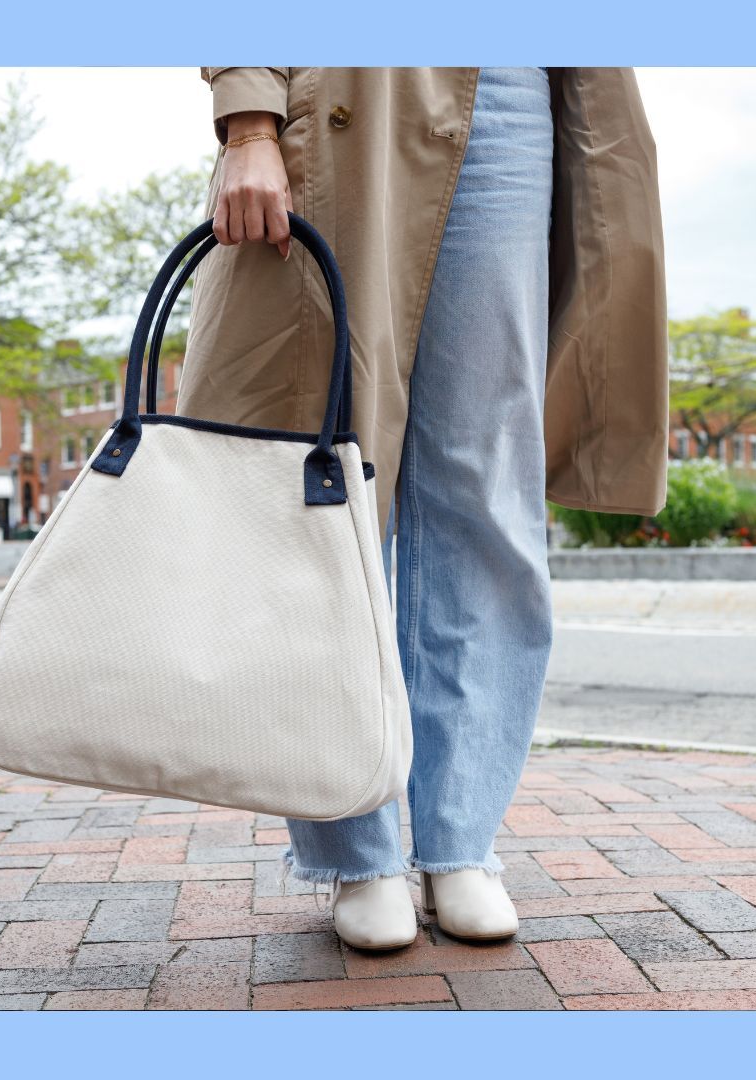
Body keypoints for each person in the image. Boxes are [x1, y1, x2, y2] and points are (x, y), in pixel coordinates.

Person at [180, 67, 666, 948]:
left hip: (519, 88)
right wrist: (248, 121)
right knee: (334, 480)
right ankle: (354, 846)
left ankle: (462, 841)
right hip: (360, 76)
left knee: (486, 486)